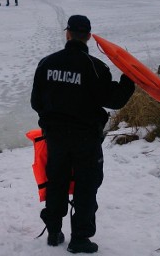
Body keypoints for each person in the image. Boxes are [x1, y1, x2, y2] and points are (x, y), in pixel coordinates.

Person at [31, 15, 135, 253]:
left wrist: (52, 119)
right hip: (86, 138)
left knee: (56, 182)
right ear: (88, 36)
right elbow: (115, 100)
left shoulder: (46, 63)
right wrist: (130, 77)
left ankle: (54, 232)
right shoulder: (96, 68)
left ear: (67, 33)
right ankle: (80, 239)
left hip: (55, 137)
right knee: (86, 186)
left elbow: (36, 101)